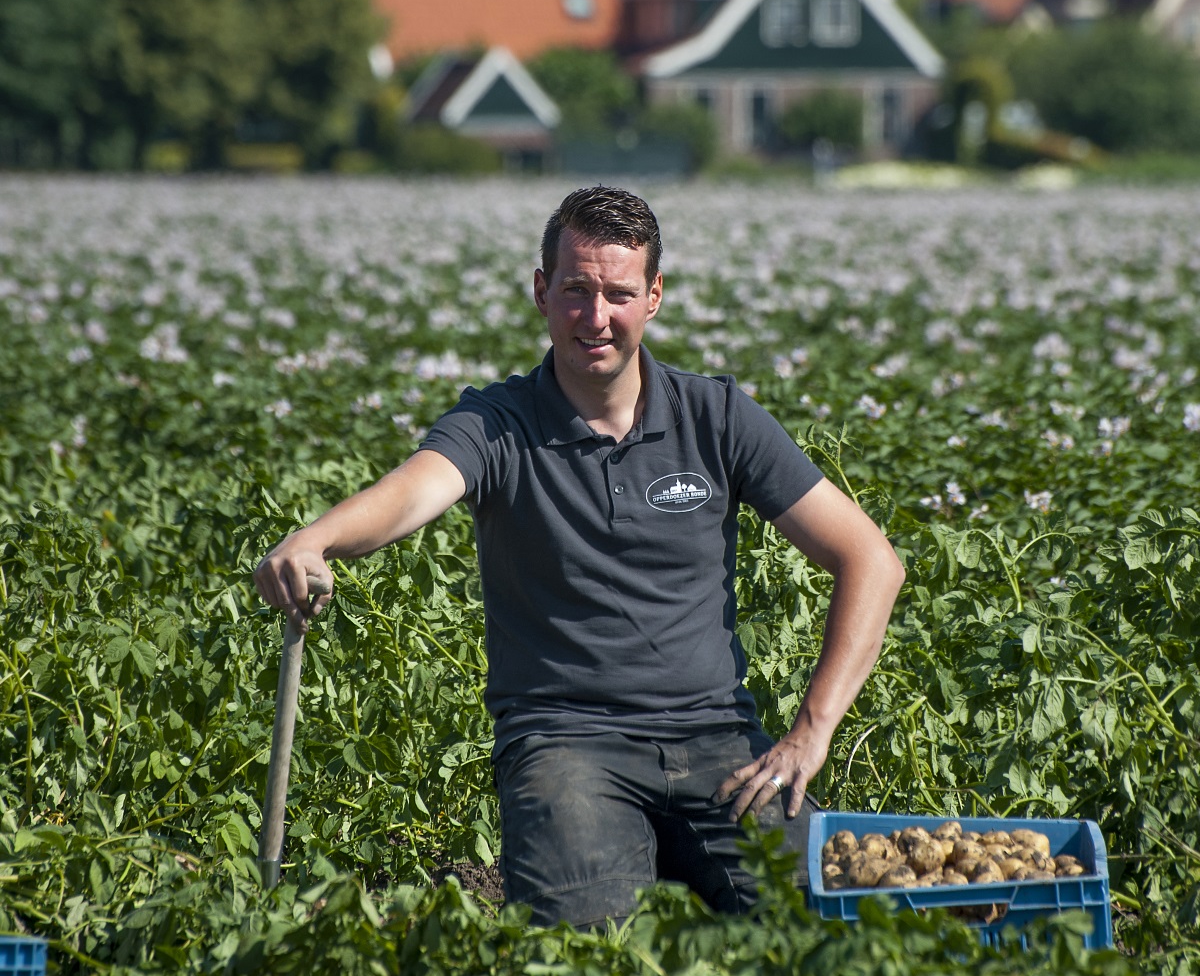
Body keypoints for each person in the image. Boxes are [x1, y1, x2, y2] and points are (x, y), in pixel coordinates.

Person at [255, 186, 903, 927]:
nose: (597, 317)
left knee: (824, 922)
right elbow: (411, 493)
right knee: (586, 945)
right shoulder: (497, 423)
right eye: (576, 290)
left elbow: (871, 560)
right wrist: (316, 539)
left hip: (719, 743)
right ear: (541, 291)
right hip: (567, 746)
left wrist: (811, 732)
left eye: (619, 294)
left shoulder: (716, 416)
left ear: (654, 297)